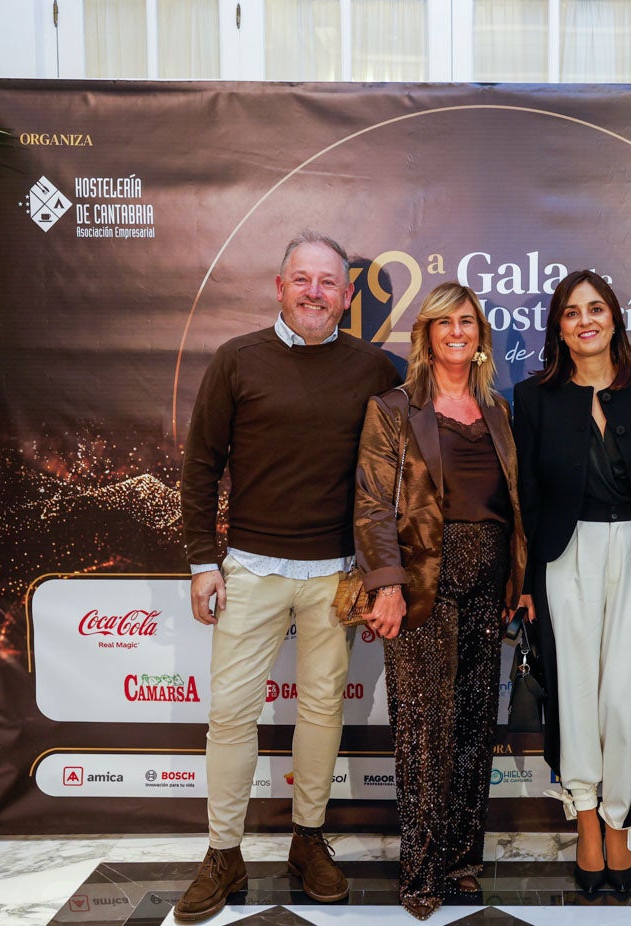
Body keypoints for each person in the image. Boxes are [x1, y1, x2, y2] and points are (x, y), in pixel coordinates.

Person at [177, 231, 399, 924]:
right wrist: (200, 562)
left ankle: (308, 838)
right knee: (230, 716)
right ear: (279, 287)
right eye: (301, 279)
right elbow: (200, 463)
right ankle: (223, 851)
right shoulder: (235, 360)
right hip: (249, 569)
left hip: (336, 575)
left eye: (328, 282)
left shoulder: (375, 369)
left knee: (322, 711)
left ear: (347, 295)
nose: (313, 292)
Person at [354, 281, 527, 920]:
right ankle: (421, 872)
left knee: (475, 728)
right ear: (426, 334)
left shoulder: (499, 411)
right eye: (444, 322)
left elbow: (512, 506)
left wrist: (517, 581)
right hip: (422, 588)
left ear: (481, 334)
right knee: (424, 734)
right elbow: (373, 506)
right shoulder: (393, 408)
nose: (458, 332)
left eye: (469, 321)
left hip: (489, 592)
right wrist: (388, 584)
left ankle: (461, 861)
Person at [512, 270, 631, 893]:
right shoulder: (534, 398)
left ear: (614, 316)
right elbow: (527, 496)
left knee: (628, 693)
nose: (585, 320)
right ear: (558, 326)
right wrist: (528, 578)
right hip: (567, 553)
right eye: (570, 312)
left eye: (596, 308)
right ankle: (586, 818)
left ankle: (621, 821)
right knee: (577, 691)